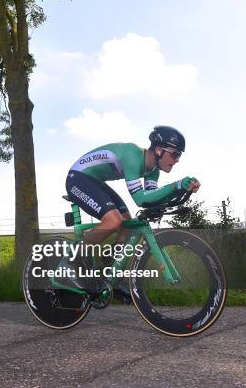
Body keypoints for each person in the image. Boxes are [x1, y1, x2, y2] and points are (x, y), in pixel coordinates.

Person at [65, 126, 200, 294]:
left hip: (95, 181)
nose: (177, 159)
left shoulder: (153, 171)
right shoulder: (132, 155)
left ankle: (110, 274)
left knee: (127, 223)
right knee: (114, 220)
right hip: (78, 178)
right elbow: (140, 199)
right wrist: (176, 185)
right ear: (158, 150)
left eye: (179, 155)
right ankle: (71, 262)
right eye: (174, 154)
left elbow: (151, 200)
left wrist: (181, 189)